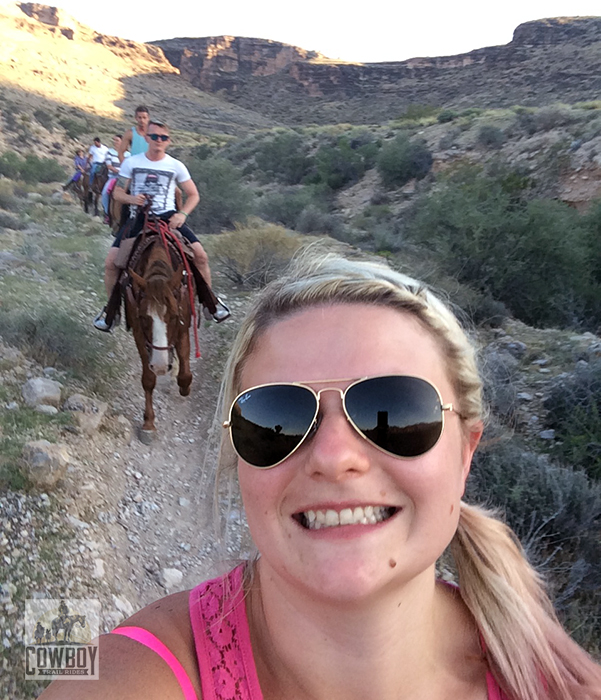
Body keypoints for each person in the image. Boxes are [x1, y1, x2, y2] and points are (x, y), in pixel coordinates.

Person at [43, 250, 601, 700]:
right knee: (121, 260)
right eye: (278, 418)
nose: (334, 456)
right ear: (239, 454)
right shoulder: (125, 679)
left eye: (397, 412)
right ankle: (108, 309)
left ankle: (207, 302)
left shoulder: (561, 683)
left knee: (197, 258)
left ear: (464, 454)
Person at [93, 120, 229, 331]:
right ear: (146, 138)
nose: (158, 141)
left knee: (200, 256)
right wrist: (132, 200)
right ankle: (112, 311)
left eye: (163, 137)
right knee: (111, 262)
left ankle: (210, 304)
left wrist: (182, 214)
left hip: (168, 217)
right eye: (154, 136)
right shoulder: (131, 163)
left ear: (168, 141)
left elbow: (193, 195)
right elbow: (118, 193)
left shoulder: (175, 165)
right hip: (138, 217)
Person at [101, 134, 129, 224]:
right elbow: (109, 166)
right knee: (105, 193)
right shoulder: (110, 152)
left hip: (126, 178)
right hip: (114, 176)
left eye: (117, 140)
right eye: (114, 140)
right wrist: (119, 171)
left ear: (122, 142)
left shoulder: (128, 154)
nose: (115, 142)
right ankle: (107, 214)